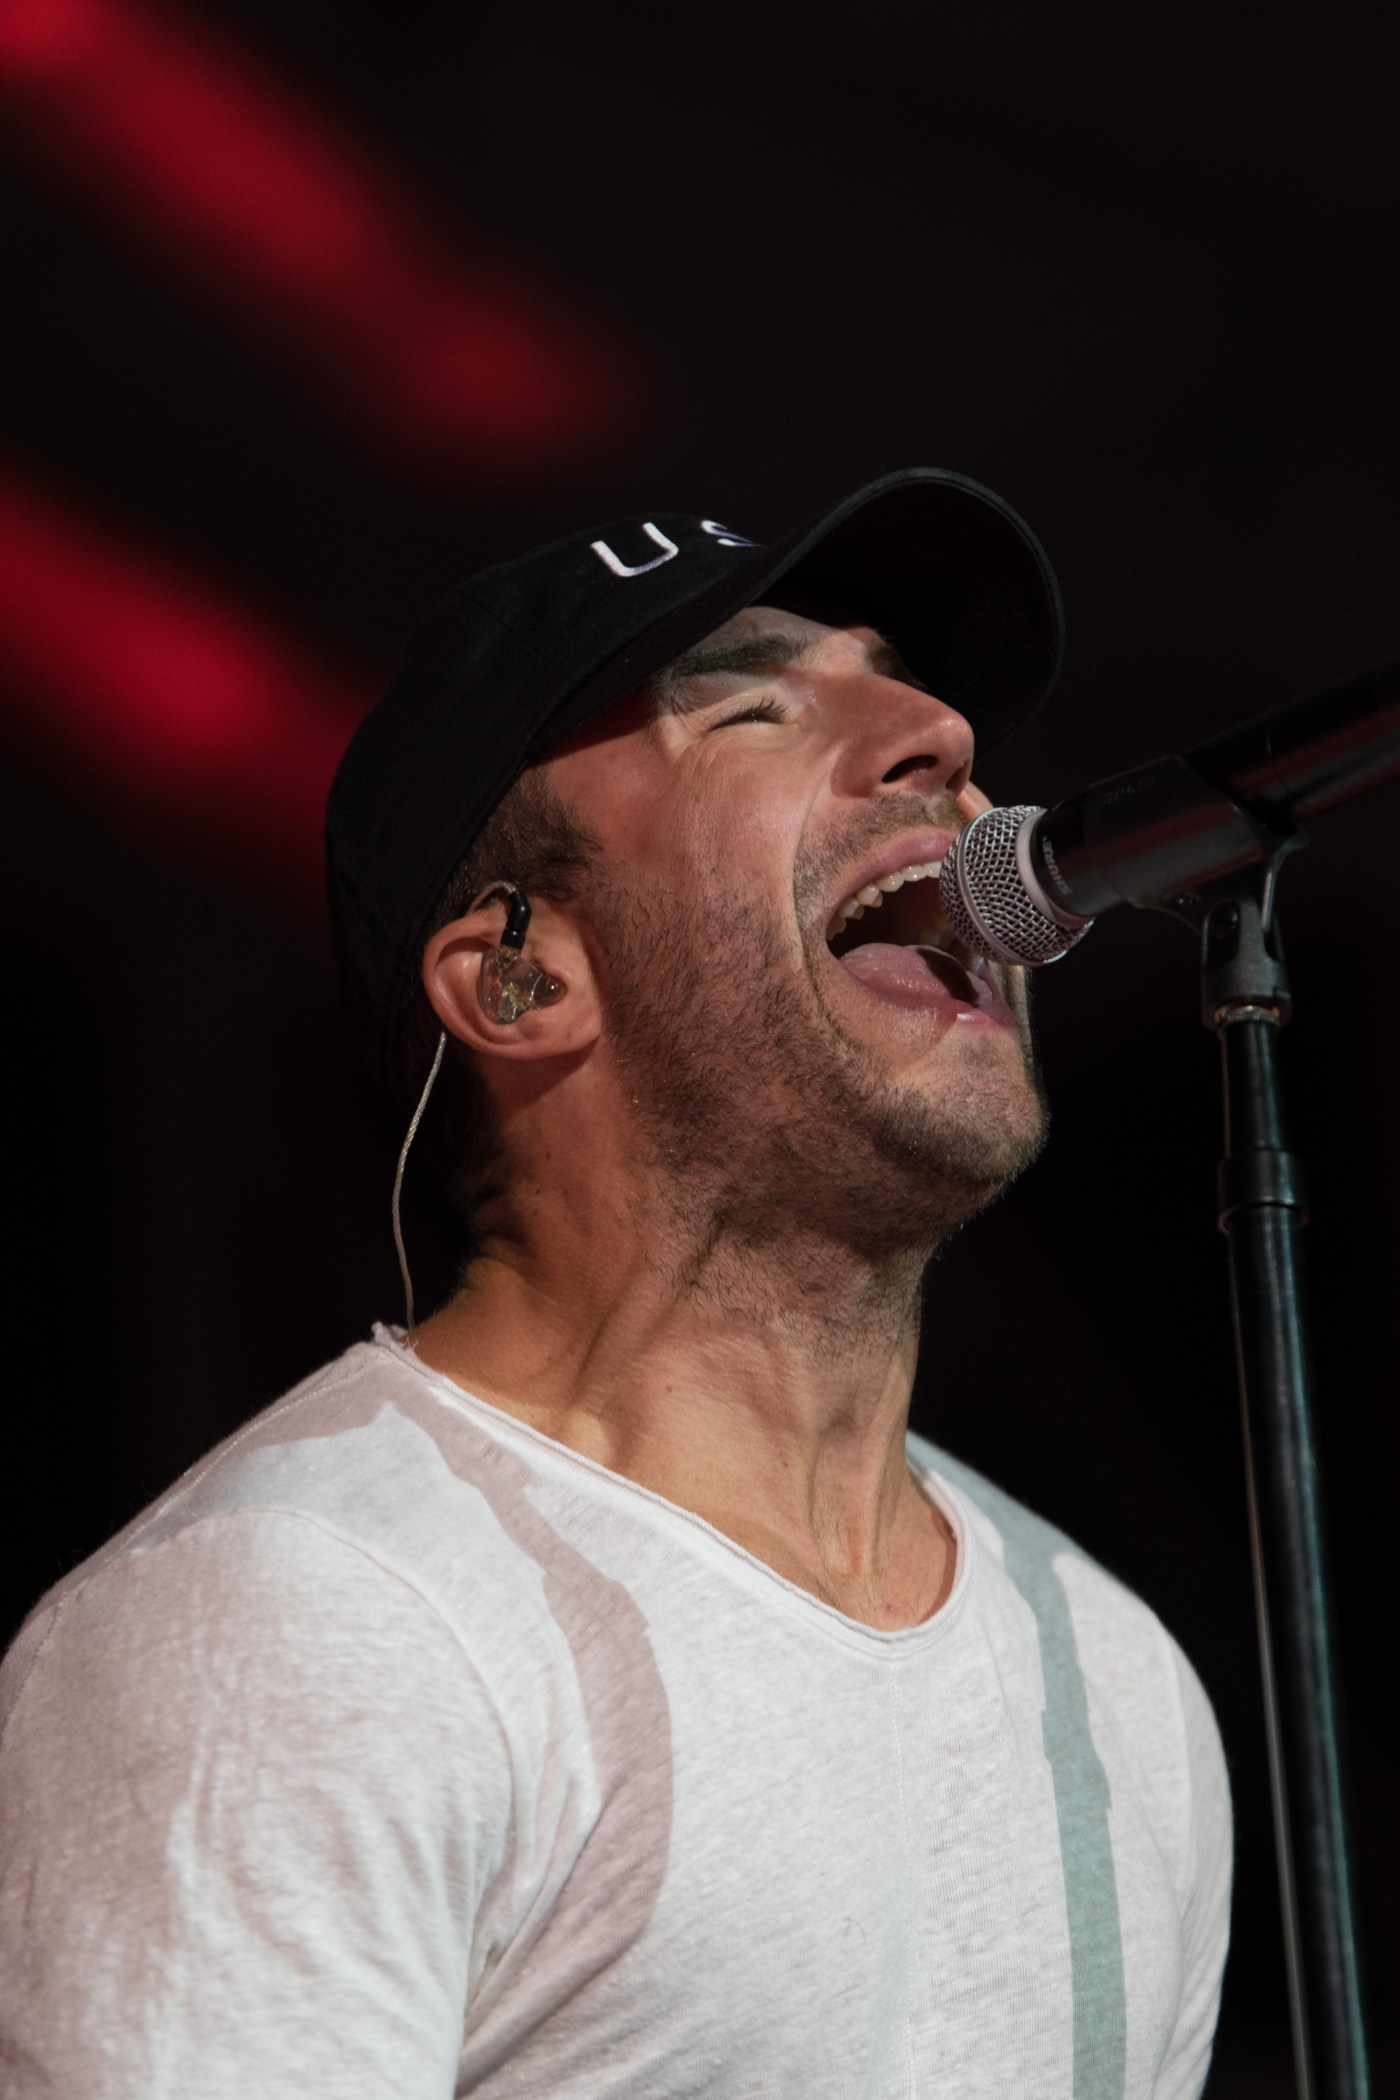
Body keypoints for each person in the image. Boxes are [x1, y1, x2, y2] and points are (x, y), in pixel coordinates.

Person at [0, 470, 1231, 2097]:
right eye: (751, 713)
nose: (943, 737)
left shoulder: (1107, 1671)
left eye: (908, 685)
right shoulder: (304, 1622)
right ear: (520, 979)